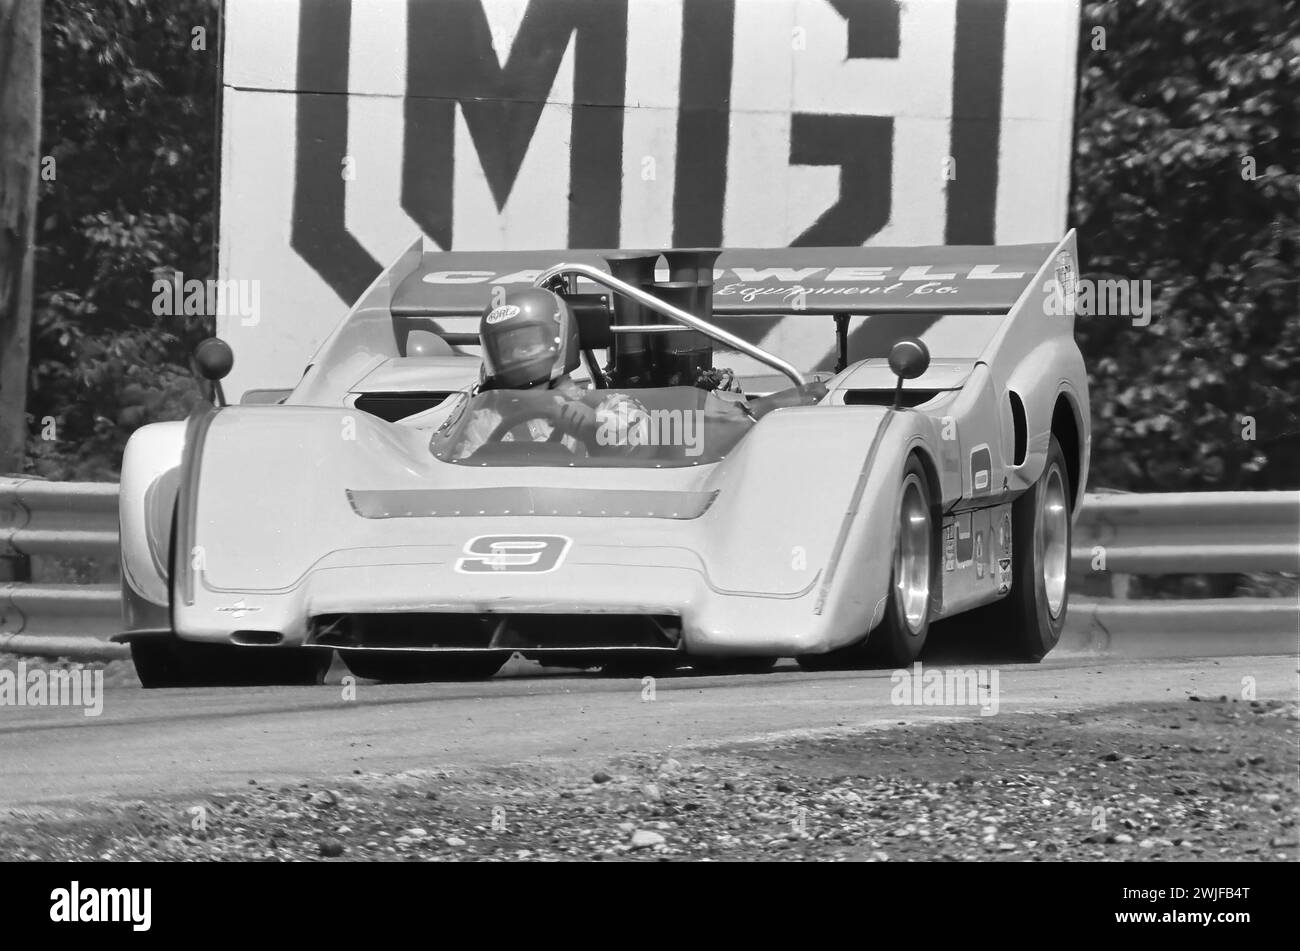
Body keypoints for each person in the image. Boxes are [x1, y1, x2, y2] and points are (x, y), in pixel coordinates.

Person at [454, 288, 650, 458]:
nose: (516, 354)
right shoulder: (485, 419)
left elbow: (644, 438)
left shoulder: (608, 404)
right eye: (506, 350)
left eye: (527, 345)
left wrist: (594, 425)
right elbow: (461, 468)